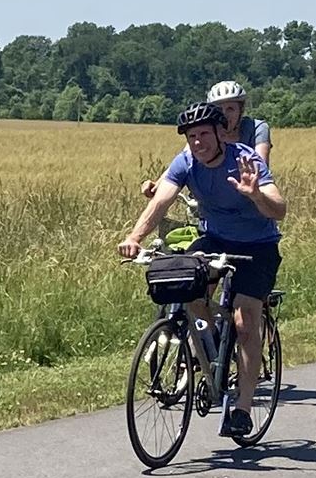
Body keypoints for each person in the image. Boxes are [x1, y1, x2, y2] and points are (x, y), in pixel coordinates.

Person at [117, 100, 287, 444]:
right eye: (192, 136)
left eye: (204, 135)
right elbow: (160, 201)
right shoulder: (186, 162)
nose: (198, 142)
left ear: (220, 134)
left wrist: (255, 195)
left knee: (244, 320)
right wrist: (135, 237)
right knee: (184, 287)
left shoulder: (244, 159)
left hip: (257, 246)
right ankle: (210, 356)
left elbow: (279, 209)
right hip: (214, 239)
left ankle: (241, 407)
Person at [206, 77, 272, 164]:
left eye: (230, 109)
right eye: (219, 109)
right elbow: (186, 160)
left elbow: (260, 167)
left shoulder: (256, 128)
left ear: (241, 111)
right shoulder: (204, 131)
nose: (224, 114)